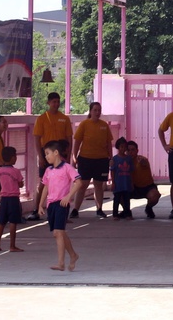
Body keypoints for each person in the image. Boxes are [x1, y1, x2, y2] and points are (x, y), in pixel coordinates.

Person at [37, 140, 82, 272]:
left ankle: (61, 263)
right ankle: (73, 255)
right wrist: (40, 205)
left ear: (56, 153)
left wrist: (68, 196)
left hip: (62, 203)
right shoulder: (48, 170)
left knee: (58, 232)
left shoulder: (67, 167)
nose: (46, 157)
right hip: (51, 204)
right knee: (59, 233)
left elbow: (78, 182)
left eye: (47, 153)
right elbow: (45, 187)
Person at [28, 92, 73, 220]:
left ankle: (62, 212)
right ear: (48, 103)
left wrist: (69, 155)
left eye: (58, 102)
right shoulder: (42, 118)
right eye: (53, 102)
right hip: (46, 154)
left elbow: (69, 138)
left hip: (61, 154)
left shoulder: (65, 118)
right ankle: (36, 210)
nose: (56, 104)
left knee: (62, 184)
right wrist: (41, 157)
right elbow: (37, 139)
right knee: (43, 182)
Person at [71, 101, 113, 219]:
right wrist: (74, 156)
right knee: (82, 184)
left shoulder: (104, 125)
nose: (97, 112)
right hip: (85, 159)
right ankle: (75, 209)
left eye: (99, 110)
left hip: (101, 159)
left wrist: (110, 157)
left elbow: (109, 143)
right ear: (90, 111)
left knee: (98, 185)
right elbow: (77, 141)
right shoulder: (84, 124)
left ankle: (99, 209)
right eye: (95, 110)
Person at [0, 146, 24, 252]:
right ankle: (12, 245)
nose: (16, 158)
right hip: (13, 198)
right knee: (13, 222)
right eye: (15, 156)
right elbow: (20, 184)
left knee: (1, 222)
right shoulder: (15, 171)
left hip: (3, 198)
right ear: (12, 158)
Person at [126, 140, 161, 219]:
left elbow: (143, 162)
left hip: (147, 187)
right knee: (119, 194)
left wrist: (143, 162)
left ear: (137, 151)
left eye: (133, 150)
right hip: (132, 188)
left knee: (154, 196)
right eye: (128, 150)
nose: (130, 152)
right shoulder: (123, 161)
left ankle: (148, 208)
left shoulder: (142, 159)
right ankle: (126, 211)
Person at [110, 137, 134, 220]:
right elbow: (112, 171)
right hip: (118, 183)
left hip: (126, 183)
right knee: (116, 199)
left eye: (124, 147)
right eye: (121, 147)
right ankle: (115, 215)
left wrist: (131, 182)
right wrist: (113, 182)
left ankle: (127, 214)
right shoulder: (115, 159)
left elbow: (131, 171)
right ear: (118, 147)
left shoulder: (129, 159)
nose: (123, 149)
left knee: (127, 199)